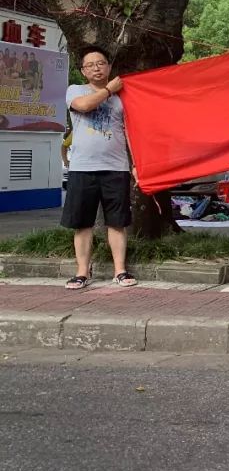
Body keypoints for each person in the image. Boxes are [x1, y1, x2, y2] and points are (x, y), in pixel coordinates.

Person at [61, 46, 137, 290]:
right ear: (83, 71)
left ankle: (120, 271)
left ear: (109, 67)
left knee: (117, 222)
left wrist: (136, 164)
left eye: (101, 63)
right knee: (82, 223)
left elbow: (131, 133)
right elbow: (84, 106)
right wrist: (109, 90)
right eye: (90, 65)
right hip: (82, 168)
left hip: (116, 167)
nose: (96, 68)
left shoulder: (123, 97)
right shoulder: (76, 90)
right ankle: (82, 272)